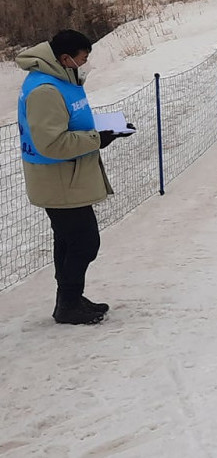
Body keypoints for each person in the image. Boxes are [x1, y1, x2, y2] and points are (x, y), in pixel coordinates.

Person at [17, 29, 133, 325]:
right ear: (65, 58)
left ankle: (69, 299)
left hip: (69, 176)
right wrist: (98, 139)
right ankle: (68, 304)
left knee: (69, 241)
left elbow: (69, 121)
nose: (85, 63)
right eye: (83, 58)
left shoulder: (61, 79)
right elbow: (51, 143)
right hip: (57, 179)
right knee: (84, 242)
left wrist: (109, 131)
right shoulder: (45, 91)